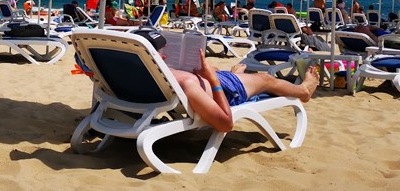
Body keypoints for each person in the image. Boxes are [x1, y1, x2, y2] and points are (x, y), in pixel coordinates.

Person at [133, 29, 319, 132]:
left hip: (203, 82)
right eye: (161, 53)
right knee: (265, 79)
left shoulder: (133, 76)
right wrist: (213, 80)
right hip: (228, 90)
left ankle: (232, 74)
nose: (165, 57)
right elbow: (225, 124)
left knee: (213, 68)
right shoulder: (186, 83)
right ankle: (303, 91)